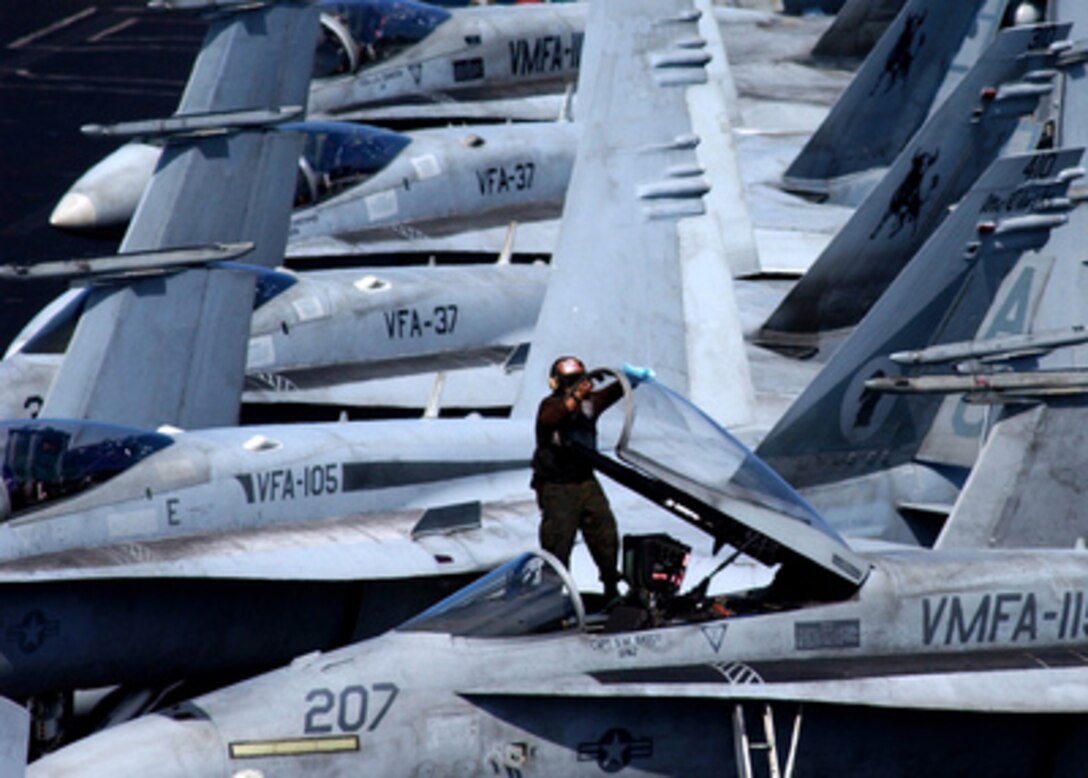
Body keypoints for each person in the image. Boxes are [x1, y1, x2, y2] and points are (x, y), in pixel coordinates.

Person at [531, 355, 624, 600]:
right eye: (571, 380)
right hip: (558, 487)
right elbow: (554, 418)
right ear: (558, 383)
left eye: (580, 379)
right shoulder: (549, 406)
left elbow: (609, 395)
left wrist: (627, 380)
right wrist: (575, 397)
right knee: (557, 544)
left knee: (605, 533)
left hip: (585, 481)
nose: (578, 384)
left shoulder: (588, 404)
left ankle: (612, 588)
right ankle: (550, 598)